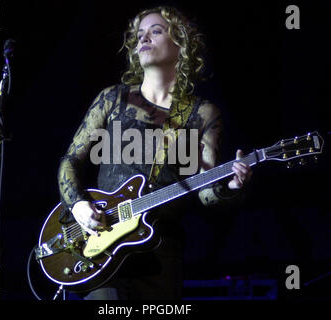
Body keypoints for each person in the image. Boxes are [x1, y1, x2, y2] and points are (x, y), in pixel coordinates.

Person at [57, 6, 252, 300]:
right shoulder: (113, 98)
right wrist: (79, 206)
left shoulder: (202, 113)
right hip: (104, 242)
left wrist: (233, 186)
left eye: (156, 31)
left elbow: (205, 192)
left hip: (161, 253)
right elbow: (70, 162)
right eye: (139, 35)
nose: (143, 39)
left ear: (181, 44)